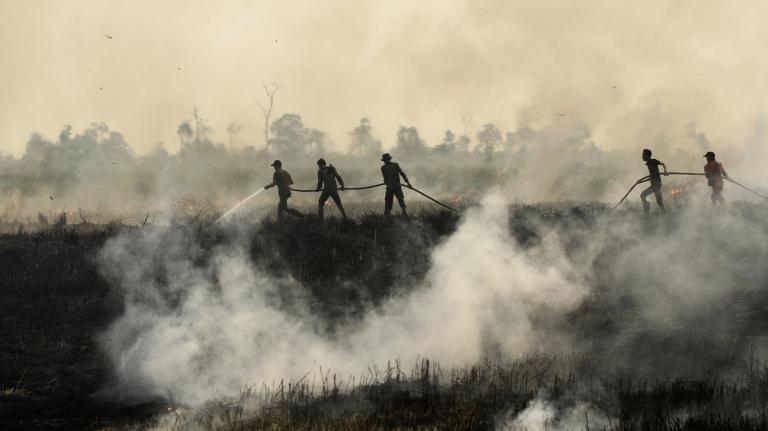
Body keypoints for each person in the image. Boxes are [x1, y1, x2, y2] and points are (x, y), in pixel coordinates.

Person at [640, 149, 668, 213]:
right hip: (654, 184)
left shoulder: (653, 161)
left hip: (656, 184)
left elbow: (663, 164)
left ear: (647, 156)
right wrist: (641, 181)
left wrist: (665, 170)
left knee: (643, 195)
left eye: (643, 155)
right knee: (659, 202)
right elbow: (652, 176)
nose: (642, 157)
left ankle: (646, 210)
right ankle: (663, 212)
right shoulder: (648, 164)